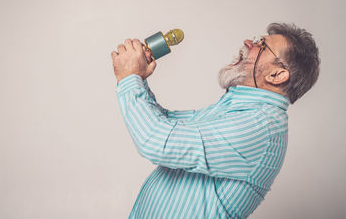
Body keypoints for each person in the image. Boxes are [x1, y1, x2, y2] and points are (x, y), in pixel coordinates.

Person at [110, 23, 320, 218]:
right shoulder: (237, 110)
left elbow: (157, 141)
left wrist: (129, 79)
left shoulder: (261, 126)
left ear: (277, 75)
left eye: (261, 45)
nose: (248, 42)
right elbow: (166, 124)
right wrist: (138, 78)